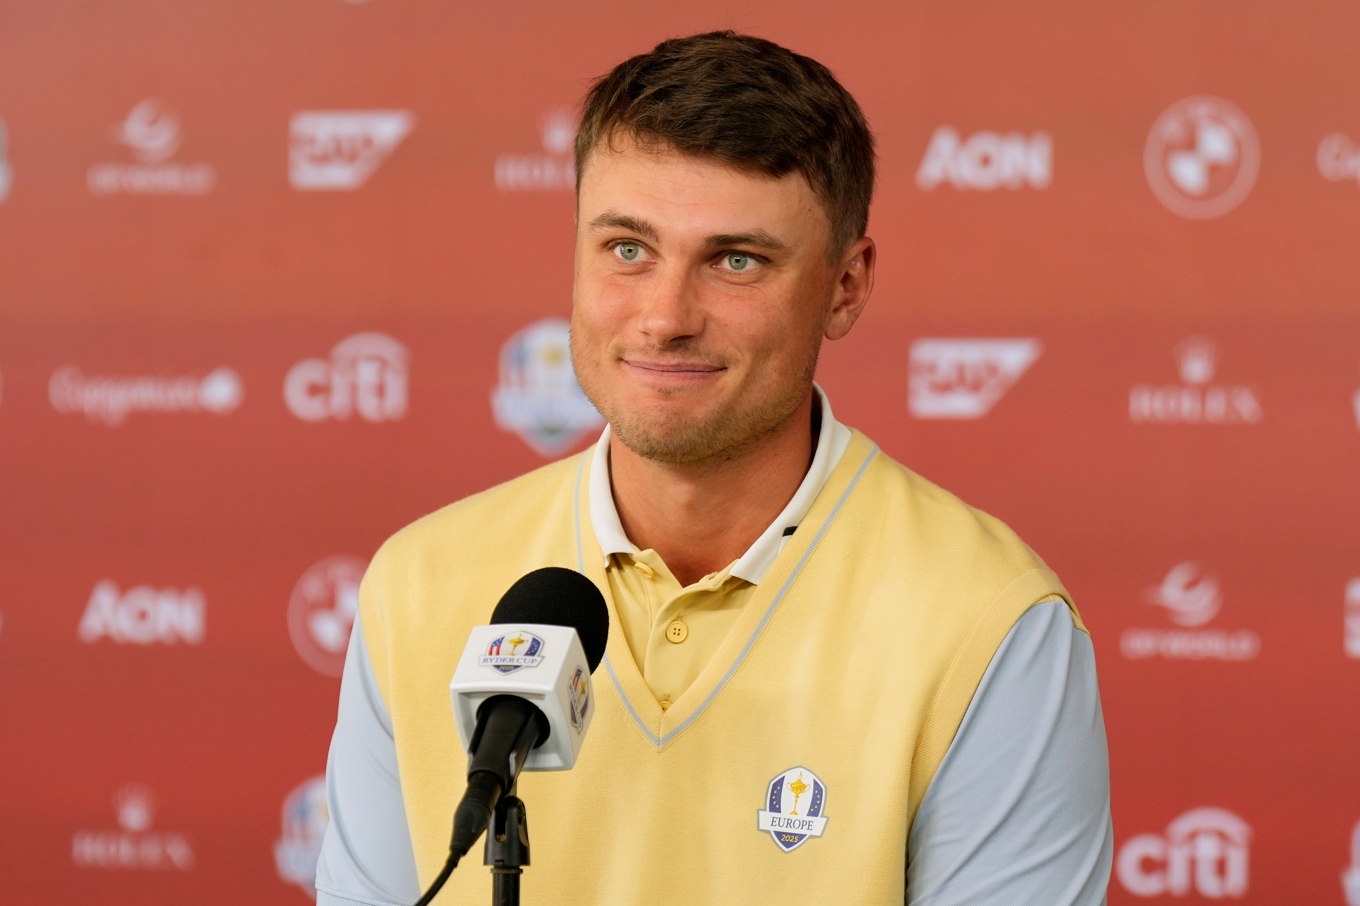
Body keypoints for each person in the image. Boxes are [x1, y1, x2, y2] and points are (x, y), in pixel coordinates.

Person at [315, 31, 1112, 906]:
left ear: (845, 286)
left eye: (737, 262)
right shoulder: (420, 585)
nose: (665, 317)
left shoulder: (990, 621)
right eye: (627, 248)